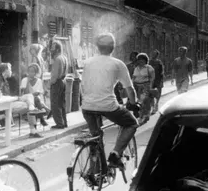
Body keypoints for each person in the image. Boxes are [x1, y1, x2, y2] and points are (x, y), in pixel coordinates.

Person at [81, 33, 139, 170]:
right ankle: (116, 153)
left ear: (97, 47)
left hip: (87, 106)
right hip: (108, 106)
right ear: (113, 47)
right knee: (131, 123)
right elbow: (129, 89)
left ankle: (95, 170)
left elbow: (83, 86)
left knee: (96, 137)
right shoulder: (118, 64)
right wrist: (134, 103)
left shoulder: (88, 62)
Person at [20, 63, 50, 138]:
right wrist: (27, 82)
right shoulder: (24, 80)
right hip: (26, 98)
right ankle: (43, 117)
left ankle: (34, 131)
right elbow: (24, 93)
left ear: (36, 72)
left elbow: (41, 92)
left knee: (36, 101)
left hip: (37, 100)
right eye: (29, 71)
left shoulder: (39, 81)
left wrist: (37, 93)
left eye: (33, 71)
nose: (31, 73)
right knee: (35, 101)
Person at [49, 40, 69, 129]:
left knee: (55, 104)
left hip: (57, 83)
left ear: (57, 49)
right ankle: (64, 122)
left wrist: (50, 83)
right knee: (61, 104)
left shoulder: (57, 59)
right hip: (63, 82)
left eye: (53, 47)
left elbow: (55, 75)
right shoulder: (64, 57)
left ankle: (59, 124)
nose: (51, 49)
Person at [132, 53, 155, 124]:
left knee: (144, 100)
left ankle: (145, 115)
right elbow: (134, 77)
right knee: (139, 101)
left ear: (145, 60)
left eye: (142, 60)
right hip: (137, 87)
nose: (140, 61)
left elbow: (152, 78)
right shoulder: (136, 68)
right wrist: (132, 85)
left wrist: (150, 87)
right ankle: (142, 115)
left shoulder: (149, 68)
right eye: (139, 60)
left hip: (145, 86)